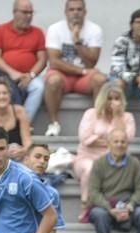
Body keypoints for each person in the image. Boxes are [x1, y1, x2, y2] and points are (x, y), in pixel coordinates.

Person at [87, 128, 140, 233]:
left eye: (123, 141)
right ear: (109, 144)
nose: (119, 144)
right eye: (116, 141)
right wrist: (109, 208)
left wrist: (130, 206)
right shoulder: (99, 164)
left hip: (128, 205)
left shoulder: (134, 163)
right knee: (98, 214)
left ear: (127, 144)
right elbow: (93, 192)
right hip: (106, 206)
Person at [44, 0, 107, 137]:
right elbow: (54, 62)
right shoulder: (55, 29)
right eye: (72, 10)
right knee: (52, 80)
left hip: (83, 78)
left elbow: (91, 63)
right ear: (66, 12)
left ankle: (97, 124)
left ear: (85, 11)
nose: (76, 13)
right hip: (63, 74)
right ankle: (54, 124)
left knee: (100, 80)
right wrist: (82, 70)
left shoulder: (94, 30)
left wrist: (77, 41)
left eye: (79, 9)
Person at [75, 82, 135, 221]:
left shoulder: (127, 117)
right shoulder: (91, 114)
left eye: (116, 98)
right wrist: (111, 142)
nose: (113, 102)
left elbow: (125, 138)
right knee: (91, 168)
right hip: (87, 157)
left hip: (115, 159)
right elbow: (85, 138)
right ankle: (85, 204)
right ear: (103, 99)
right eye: (110, 98)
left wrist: (118, 116)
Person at [0, 0, 46, 123]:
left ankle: (23, 123)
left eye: (31, 13)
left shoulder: (38, 33)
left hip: (29, 76)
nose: (29, 16)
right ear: (14, 12)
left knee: (39, 87)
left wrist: (30, 75)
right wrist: (12, 73)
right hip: (5, 74)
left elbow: (42, 59)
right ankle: (5, 123)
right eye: (25, 12)